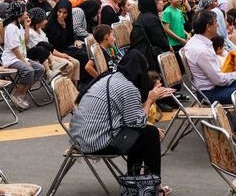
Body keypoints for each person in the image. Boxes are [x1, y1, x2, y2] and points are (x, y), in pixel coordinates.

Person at [69, 51, 174, 191]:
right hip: (95, 142)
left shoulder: (109, 77)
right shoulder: (128, 88)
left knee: (141, 135)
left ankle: (135, 181)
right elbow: (137, 123)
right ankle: (153, 186)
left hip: (78, 137)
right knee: (150, 134)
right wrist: (150, 100)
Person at [184, 9, 236, 104]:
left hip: (213, 88)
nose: (218, 25)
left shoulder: (196, 41)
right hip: (209, 94)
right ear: (208, 27)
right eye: (216, 22)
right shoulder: (202, 50)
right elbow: (218, 79)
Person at [0, 2, 45, 110]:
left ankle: (23, 91)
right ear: (18, 13)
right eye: (24, 11)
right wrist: (24, 61)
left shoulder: (18, 26)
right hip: (11, 59)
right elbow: (14, 48)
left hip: (20, 57)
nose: (26, 13)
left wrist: (27, 27)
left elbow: (25, 41)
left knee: (40, 69)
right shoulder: (11, 28)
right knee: (28, 70)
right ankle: (17, 93)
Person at [44, 0, 90, 85]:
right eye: (59, 12)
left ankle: (78, 83)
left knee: (85, 51)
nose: (61, 15)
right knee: (81, 56)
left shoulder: (68, 20)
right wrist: (63, 27)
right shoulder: (50, 23)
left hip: (66, 46)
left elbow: (71, 34)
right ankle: (77, 83)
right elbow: (57, 42)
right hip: (55, 49)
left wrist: (76, 39)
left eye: (64, 13)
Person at [26, 7, 78, 82]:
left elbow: (49, 46)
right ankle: (62, 88)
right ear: (38, 21)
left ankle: (72, 86)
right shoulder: (30, 33)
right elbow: (43, 49)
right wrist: (61, 55)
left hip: (50, 54)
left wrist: (61, 54)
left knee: (76, 62)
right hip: (43, 58)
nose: (47, 21)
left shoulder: (40, 30)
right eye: (44, 19)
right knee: (69, 65)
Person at [130, 0, 171, 72]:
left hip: (143, 53)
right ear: (152, 4)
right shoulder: (150, 18)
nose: (162, 2)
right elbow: (160, 39)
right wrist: (168, 47)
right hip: (148, 57)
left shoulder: (144, 16)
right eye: (159, 1)